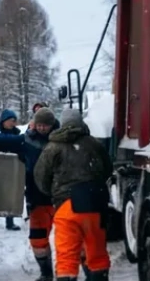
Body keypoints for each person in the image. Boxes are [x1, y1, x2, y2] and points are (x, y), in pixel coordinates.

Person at [34, 108, 113, 281]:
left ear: (62, 123)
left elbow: (40, 177)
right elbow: (108, 170)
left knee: (67, 257)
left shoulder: (53, 146)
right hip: (94, 206)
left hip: (66, 206)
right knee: (97, 254)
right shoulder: (95, 144)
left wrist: (54, 193)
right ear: (81, 122)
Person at [0, 108, 56, 281]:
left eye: (46, 125)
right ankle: (46, 273)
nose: (42, 128)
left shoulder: (62, 140)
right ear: (34, 124)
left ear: (52, 125)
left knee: (69, 240)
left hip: (61, 199)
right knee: (38, 240)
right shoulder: (27, 140)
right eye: (39, 125)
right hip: (37, 198)